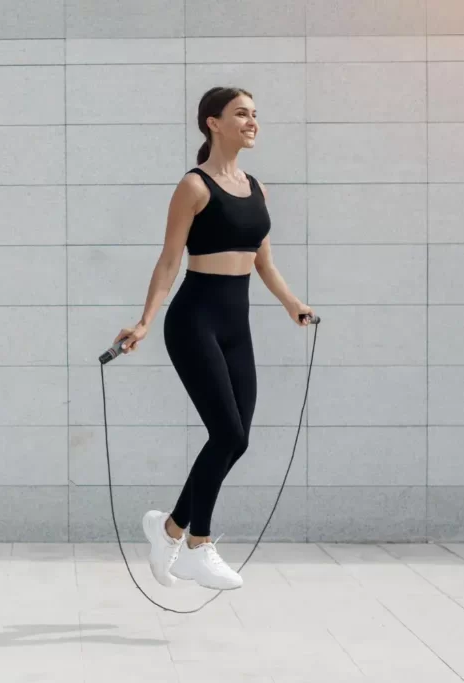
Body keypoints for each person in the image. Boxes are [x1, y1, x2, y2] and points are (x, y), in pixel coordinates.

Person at [114, 86, 313, 591]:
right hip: (194, 319)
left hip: (235, 324)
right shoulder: (194, 187)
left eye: (255, 115)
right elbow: (168, 260)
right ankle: (198, 545)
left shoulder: (256, 188)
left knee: (237, 439)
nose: (252, 122)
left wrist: (293, 304)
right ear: (213, 123)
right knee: (227, 433)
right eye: (241, 114)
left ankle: (169, 528)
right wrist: (143, 322)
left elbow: (263, 261)